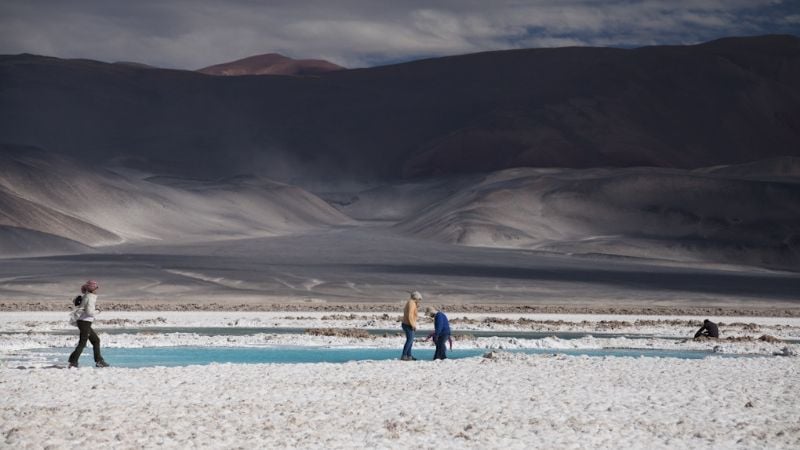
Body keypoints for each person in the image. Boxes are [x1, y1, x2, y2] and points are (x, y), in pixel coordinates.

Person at [68, 280, 110, 368]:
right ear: (93, 289)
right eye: (95, 288)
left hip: (83, 321)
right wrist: (98, 310)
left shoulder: (87, 296)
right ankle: (73, 362)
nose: (96, 290)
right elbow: (89, 312)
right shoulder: (90, 297)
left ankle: (99, 361)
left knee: (95, 340)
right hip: (85, 322)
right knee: (83, 342)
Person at [400, 291, 422, 361]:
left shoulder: (412, 303)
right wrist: (413, 325)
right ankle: (404, 355)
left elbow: (413, 314)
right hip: (408, 324)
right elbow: (410, 315)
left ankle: (409, 355)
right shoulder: (411, 303)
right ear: (416, 297)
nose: (419, 300)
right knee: (409, 340)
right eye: (419, 299)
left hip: (407, 324)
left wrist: (416, 306)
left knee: (411, 340)